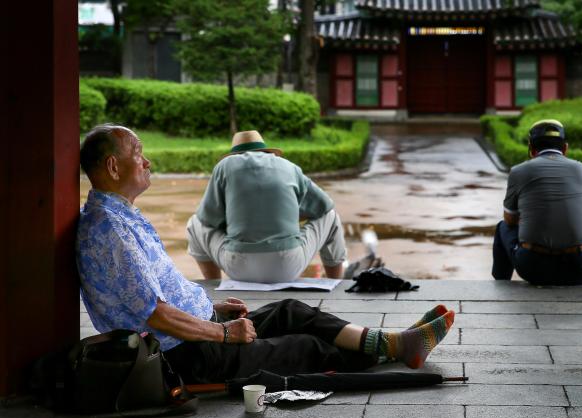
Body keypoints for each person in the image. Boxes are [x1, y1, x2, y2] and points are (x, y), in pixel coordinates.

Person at [76, 124, 455, 384]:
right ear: (112, 166)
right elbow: (155, 313)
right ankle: (396, 347)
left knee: (291, 310)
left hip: (199, 326)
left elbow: (200, 231)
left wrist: (211, 308)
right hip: (181, 355)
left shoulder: (120, 216)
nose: (147, 161)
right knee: (305, 348)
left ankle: (396, 343)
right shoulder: (111, 230)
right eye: (138, 153)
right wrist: (223, 333)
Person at [186, 130, 346, 283]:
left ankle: (214, 285)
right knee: (330, 216)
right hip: (287, 266)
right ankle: (336, 283)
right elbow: (324, 206)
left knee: (195, 223)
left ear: (234, 154)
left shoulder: (225, 166)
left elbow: (208, 218)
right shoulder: (289, 166)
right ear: (267, 151)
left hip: (239, 267)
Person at [492, 119, 582, 286]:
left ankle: (500, 285)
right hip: (581, 270)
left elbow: (509, 220)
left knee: (502, 227)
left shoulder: (518, 171)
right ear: (565, 148)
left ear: (531, 150)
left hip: (533, 270)